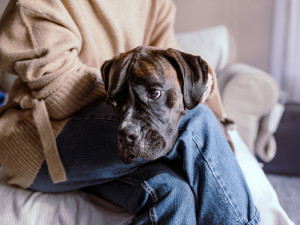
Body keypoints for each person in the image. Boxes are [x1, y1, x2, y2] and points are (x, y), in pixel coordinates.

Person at [0, 0, 260, 224]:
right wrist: (127, 95)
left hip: (99, 137)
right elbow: (57, 90)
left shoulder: (154, 3)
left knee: (173, 191)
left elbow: (167, 69)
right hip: (42, 142)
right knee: (195, 121)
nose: (128, 130)